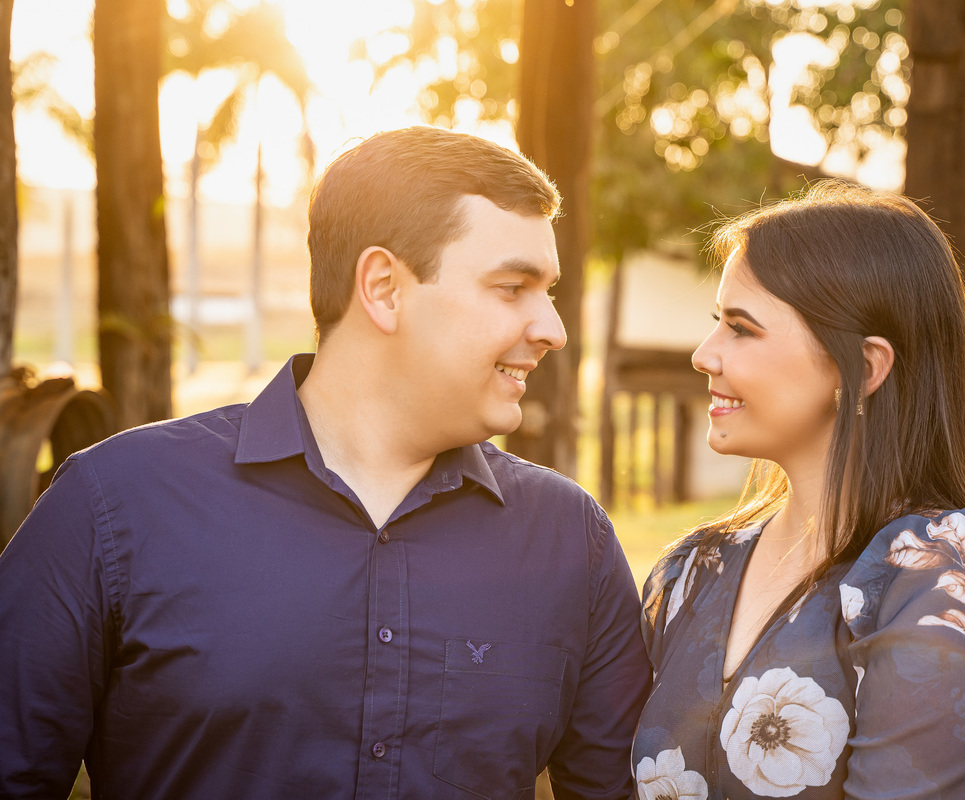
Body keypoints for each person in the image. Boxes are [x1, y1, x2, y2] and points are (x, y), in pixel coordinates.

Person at [0, 126, 651, 799]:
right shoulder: (114, 504)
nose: (553, 329)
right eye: (514, 287)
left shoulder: (572, 540)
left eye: (548, 292)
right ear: (384, 287)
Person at [633, 182, 965, 799]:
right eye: (714, 324)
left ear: (863, 368)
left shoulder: (952, 578)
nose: (704, 355)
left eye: (741, 329)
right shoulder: (690, 570)